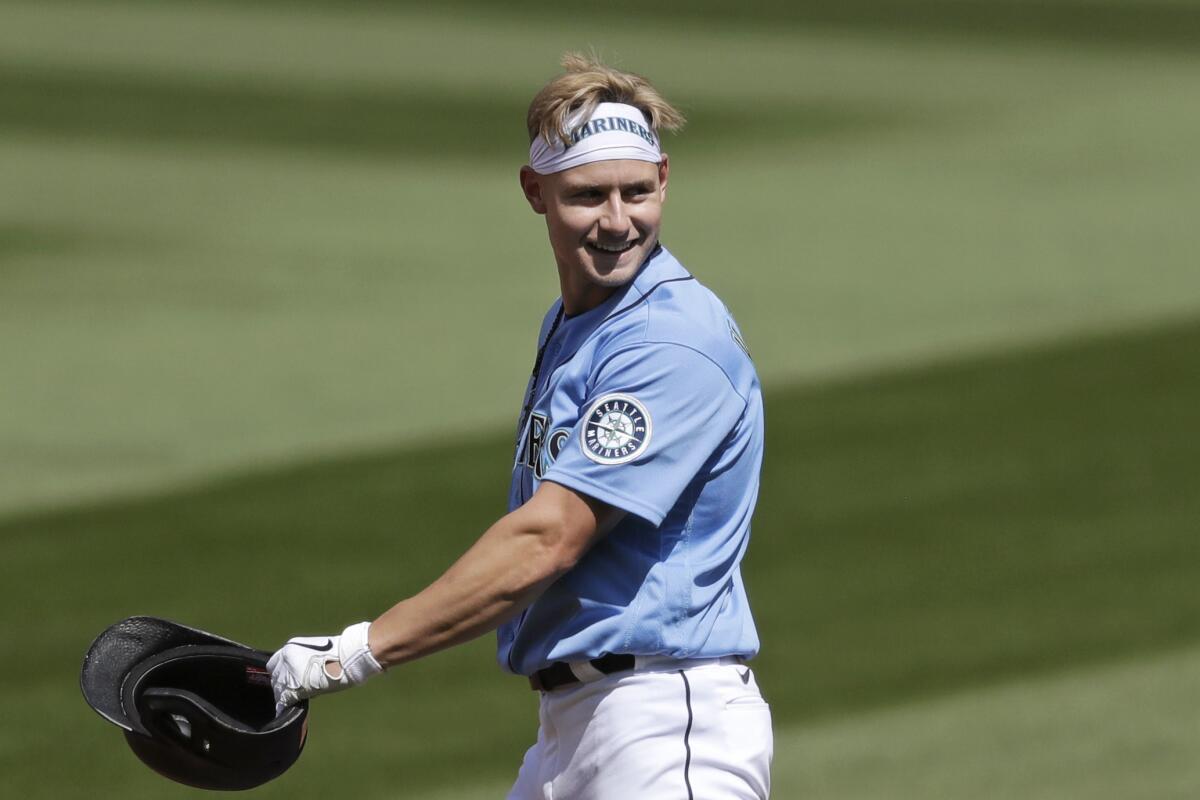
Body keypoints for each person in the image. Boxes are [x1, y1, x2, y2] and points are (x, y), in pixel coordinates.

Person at [268, 53, 772, 799]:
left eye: (637, 191)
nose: (617, 220)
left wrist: (358, 651)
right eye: (587, 195)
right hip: (578, 728)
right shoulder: (580, 323)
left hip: (665, 727)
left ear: (664, 180)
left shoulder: (669, 343)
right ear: (535, 193)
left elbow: (550, 536)